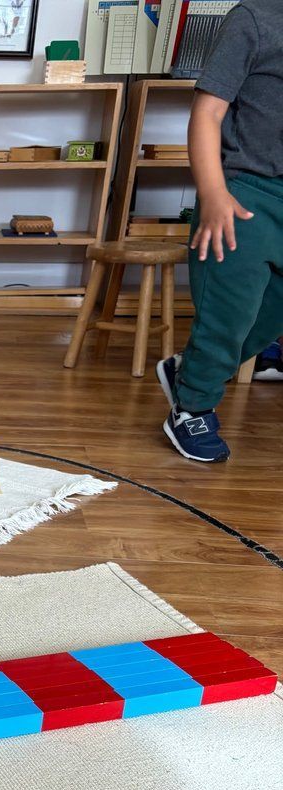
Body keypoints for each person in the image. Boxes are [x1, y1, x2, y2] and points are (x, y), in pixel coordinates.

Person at [156, 0, 283, 462]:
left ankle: (190, 372)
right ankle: (192, 407)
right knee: (227, 318)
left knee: (266, 319)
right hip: (247, 193)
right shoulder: (255, 19)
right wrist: (214, 193)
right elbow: (207, 112)